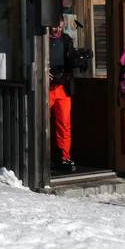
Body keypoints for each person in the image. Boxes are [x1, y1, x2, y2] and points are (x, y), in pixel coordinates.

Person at [48, 18, 76, 172]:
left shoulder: (66, 40)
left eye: (59, 26)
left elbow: (71, 61)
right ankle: (42, 157)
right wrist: (44, 70)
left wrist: (79, 60)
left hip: (63, 87)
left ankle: (64, 157)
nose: (56, 30)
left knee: (64, 125)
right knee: (41, 123)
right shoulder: (42, 40)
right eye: (54, 26)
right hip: (46, 87)